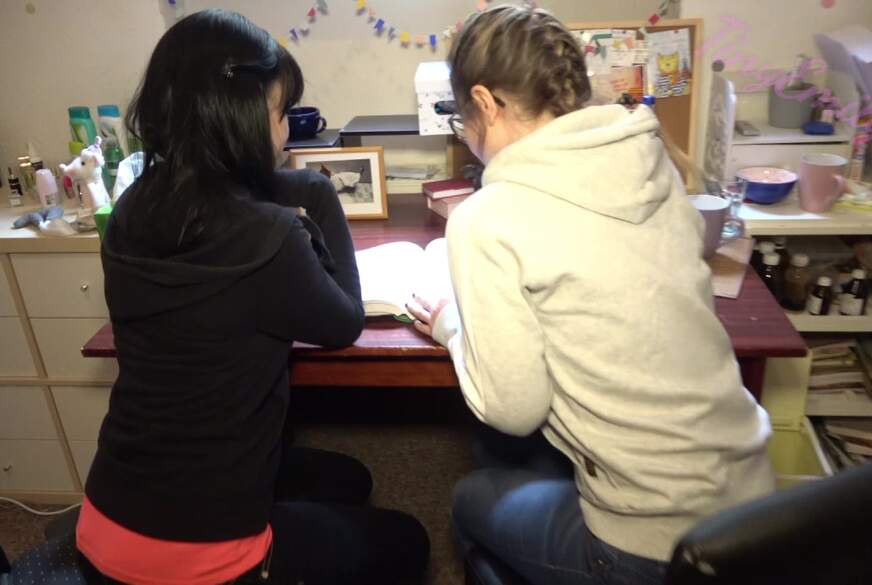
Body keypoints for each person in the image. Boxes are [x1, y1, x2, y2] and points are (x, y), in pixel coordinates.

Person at [407, 5, 774, 585]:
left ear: (483, 102)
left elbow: (512, 409)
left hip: (649, 540)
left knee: (470, 496)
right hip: (754, 504)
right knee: (512, 453)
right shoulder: (655, 166)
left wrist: (452, 325)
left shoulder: (487, 219)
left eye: (461, 120)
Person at [76, 9, 429, 585]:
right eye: (280, 113)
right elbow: (344, 321)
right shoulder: (271, 237)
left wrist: (292, 186)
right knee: (407, 540)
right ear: (238, 120)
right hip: (204, 559)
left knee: (348, 480)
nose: (287, 131)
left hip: (105, 520)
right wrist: (319, 193)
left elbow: (216, 196)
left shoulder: (131, 212)